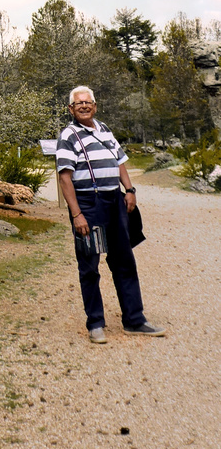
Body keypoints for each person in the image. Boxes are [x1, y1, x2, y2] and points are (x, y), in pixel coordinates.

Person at [56, 85, 165, 344]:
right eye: (78, 103)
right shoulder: (68, 136)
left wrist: (129, 189)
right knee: (90, 265)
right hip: (89, 204)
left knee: (124, 260)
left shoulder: (104, 129)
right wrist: (77, 214)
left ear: (95, 105)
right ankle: (95, 323)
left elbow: (120, 161)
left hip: (114, 201)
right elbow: (64, 178)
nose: (84, 106)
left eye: (88, 102)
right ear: (71, 109)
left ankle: (134, 320)